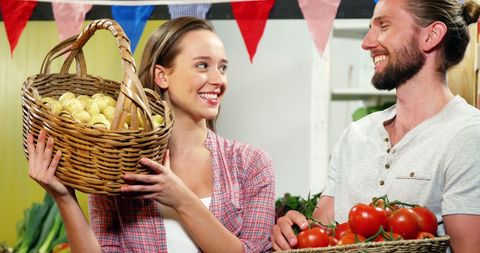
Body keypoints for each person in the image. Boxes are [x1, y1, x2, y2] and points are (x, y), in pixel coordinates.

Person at [28, 16, 275, 253]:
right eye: (202, 65)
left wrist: (181, 199)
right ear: (162, 76)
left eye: (222, 68)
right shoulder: (117, 160)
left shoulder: (251, 164)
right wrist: (64, 197)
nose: (218, 79)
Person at [272, 0, 480, 252]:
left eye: (383, 26)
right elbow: (322, 235)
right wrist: (295, 232)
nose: (367, 42)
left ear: (431, 36)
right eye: (371, 26)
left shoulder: (468, 135)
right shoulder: (356, 134)